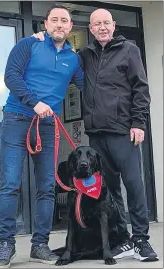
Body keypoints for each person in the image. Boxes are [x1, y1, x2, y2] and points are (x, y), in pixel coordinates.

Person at [33, 8, 158, 262]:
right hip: (96, 135)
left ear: (113, 26)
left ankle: (142, 240)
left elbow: (141, 89)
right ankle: (123, 238)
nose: (102, 27)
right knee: (110, 190)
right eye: (96, 24)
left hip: (124, 131)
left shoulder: (129, 50)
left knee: (134, 185)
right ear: (90, 29)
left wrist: (138, 123)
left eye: (106, 23)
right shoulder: (85, 55)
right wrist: (43, 38)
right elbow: (61, 57)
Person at [0, 4, 84, 268]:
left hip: (47, 125)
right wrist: (33, 102)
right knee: (10, 183)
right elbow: (11, 76)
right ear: (46, 24)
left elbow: (87, 86)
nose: (59, 24)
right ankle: (6, 245)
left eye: (64, 21)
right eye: (54, 19)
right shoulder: (28, 45)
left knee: (46, 187)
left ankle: (40, 245)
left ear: (69, 27)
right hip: (17, 119)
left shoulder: (73, 58)